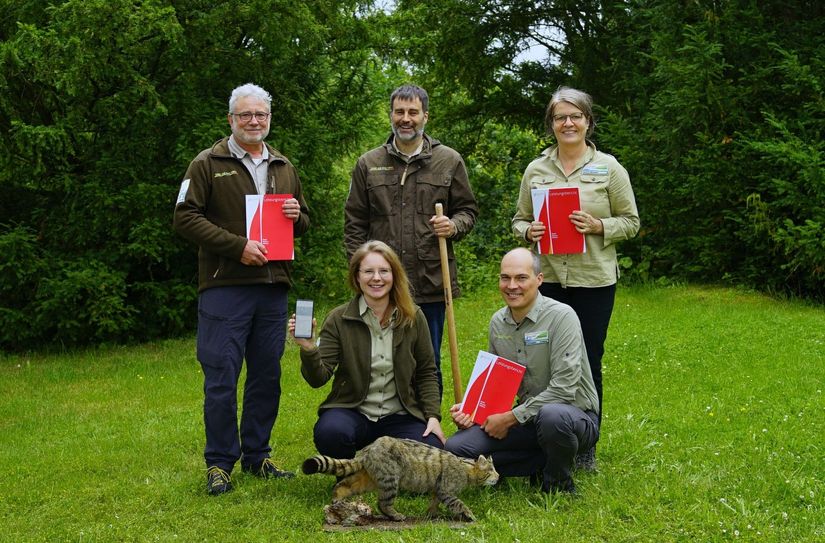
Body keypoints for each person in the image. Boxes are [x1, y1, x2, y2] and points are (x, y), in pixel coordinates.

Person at [173, 83, 310, 495]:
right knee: (221, 377)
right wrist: (237, 248)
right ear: (231, 119)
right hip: (225, 287)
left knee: (267, 377)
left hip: (272, 288)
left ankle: (258, 456)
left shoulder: (283, 165)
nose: (254, 121)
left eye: (261, 115)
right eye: (246, 115)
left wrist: (297, 214)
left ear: (269, 119)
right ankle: (219, 464)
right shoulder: (207, 163)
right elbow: (184, 218)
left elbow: (304, 222)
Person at [511, 86, 639, 469]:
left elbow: (631, 223)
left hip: (593, 282)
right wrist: (527, 232)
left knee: (586, 362)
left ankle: (584, 445)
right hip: (546, 281)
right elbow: (519, 220)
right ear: (551, 124)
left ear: (587, 121)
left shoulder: (610, 168)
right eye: (559, 117)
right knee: (540, 360)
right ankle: (539, 438)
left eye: (575, 116)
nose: (567, 123)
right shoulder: (536, 170)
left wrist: (599, 225)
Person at [344, 84, 478, 396]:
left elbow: (468, 211)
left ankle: (427, 430)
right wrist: (361, 272)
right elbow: (353, 223)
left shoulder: (449, 161)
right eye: (400, 112)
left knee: (426, 361)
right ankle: (383, 427)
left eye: (413, 112)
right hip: (381, 286)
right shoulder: (368, 164)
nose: (406, 119)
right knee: (380, 360)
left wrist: (453, 225)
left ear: (425, 116)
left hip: (430, 282)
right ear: (390, 115)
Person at [444, 248, 599, 494]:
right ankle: (541, 461)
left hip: (573, 417)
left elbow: (565, 389)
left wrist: (510, 418)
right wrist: (473, 412)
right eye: (505, 278)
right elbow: (497, 386)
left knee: (552, 417)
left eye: (521, 278)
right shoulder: (498, 322)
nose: (511, 285)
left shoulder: (562, 317)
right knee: (455, 447)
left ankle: (557, 484)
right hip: (527, 418)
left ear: (539, 280)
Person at [289, 240, 445, 459]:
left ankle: (376, 464)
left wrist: (432, 416)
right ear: (357, 277)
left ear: (394, 275)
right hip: (353, 412)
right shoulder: (338, 319)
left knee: (434, 449)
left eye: (384, 271)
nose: (377, 278)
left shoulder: (413, 317)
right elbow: (318, 378)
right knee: (330, 434)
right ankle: (353, 471)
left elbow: (427, 372)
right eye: (368, 271)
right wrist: (308, 348)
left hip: (399, 415)